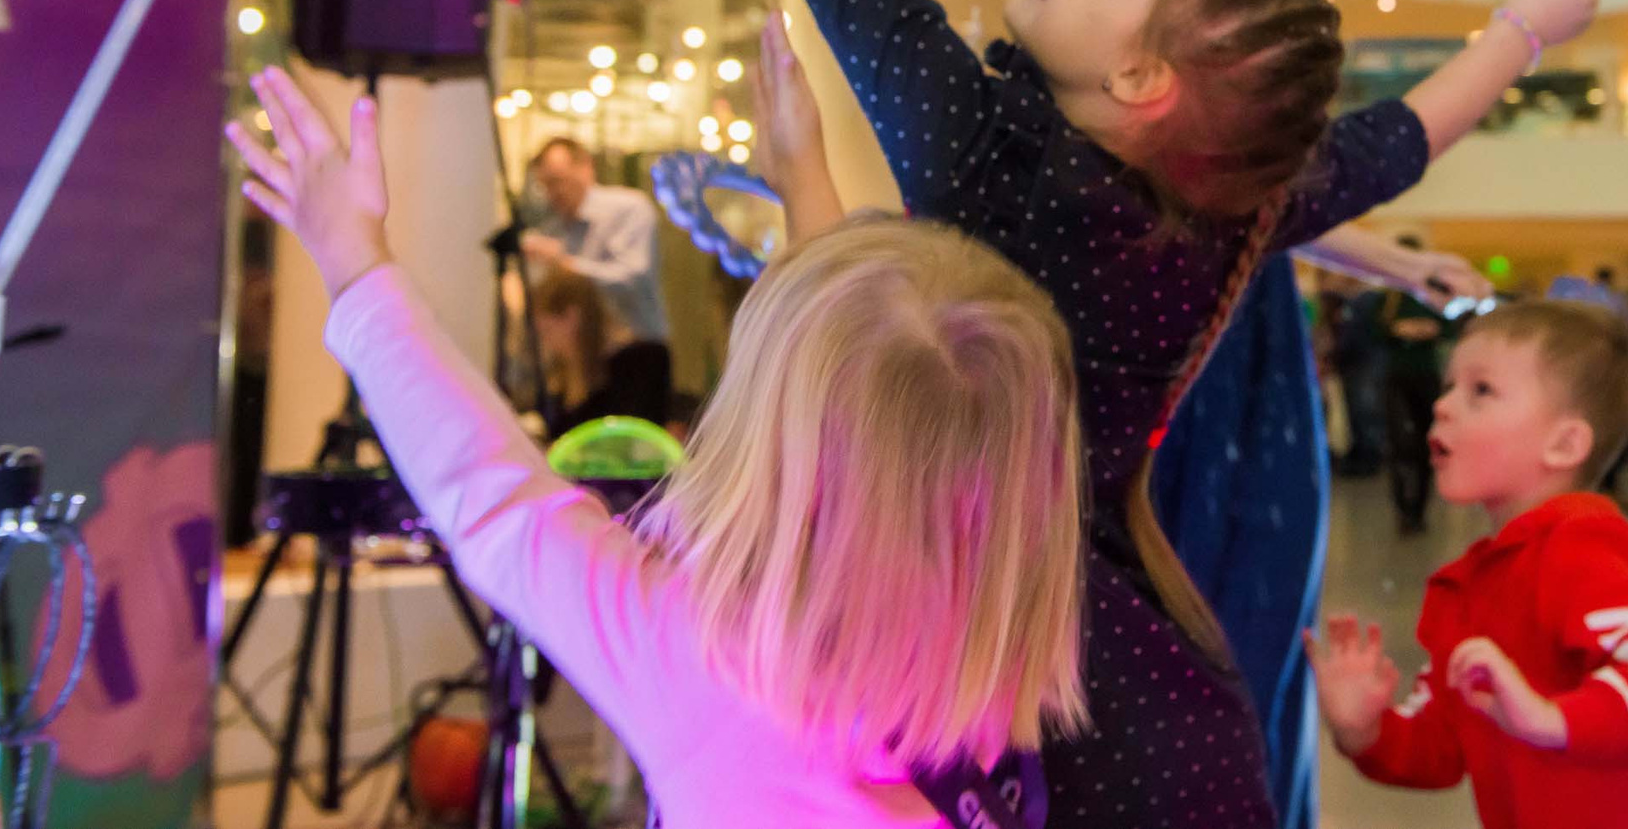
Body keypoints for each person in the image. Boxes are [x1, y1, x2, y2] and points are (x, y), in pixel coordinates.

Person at [599, 0, 1598, 827]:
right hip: (1140, 699)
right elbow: (1402, 137)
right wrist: (1529, 26)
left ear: (1142, 81)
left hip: (953, 661)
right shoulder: (1230, 205)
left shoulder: (971, 148)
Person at [224, 69, 1087, 828]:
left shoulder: (701, 666)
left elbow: (493, 496)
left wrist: (351, 255)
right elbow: (888, 416)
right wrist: (802, 180)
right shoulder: (983, 660)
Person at [1120, 0, 1512, 829]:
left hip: (1250, 347)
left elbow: (1280, 192)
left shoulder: (1277, 2)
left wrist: (1399, 261)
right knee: (1127, 639)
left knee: (1254, 630)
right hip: (1129, 338)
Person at [1306, 302, 1628, 829]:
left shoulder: (1586, 544)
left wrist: (1552, 719)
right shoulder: (1471, 583)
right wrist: (1364, 730)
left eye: (1481, 391)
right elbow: (1441, 747)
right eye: (1450, 385)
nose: (1444, 406)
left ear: (1565, 443)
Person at [524, 136, 671, 345]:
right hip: (584, 355)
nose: (553, 193)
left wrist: (565, 265)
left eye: (558, 181)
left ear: (585, 168)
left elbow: (632, 279)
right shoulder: (554, 227)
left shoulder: (629, 208)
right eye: (545, 185)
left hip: (636, 350)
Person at [530, 270, 673, 437]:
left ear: (571, 318)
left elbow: (629, 437)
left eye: (547, 331)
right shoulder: (559, 378)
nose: (545, 342)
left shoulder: (641, 362)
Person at [1379, 282, 1450, 534]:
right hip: (1397, 378)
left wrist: (1427, 330)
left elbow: (1449, 327)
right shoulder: (1388, 299)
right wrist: (1397, 330)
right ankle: (1403, 509)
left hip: (1425, 377)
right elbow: (1374, 332)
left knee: (1424, 446)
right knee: (1400, 445)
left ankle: (1417, 510)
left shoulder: (1431, 298)